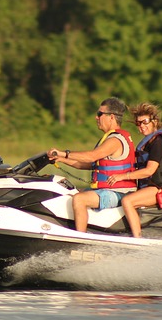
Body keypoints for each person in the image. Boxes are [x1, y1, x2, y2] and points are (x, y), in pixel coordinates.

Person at [46, 97, 136, 232]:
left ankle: (79, 240)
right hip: (106, 190)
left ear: (111, 117)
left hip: (118, 192)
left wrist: (64, 153)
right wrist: (61, 159)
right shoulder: (108, 138)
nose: (96, 117)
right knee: (68, 194)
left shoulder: (115, 140)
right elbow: (87, 164)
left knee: (79, 199)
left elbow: (91, 157)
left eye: (100, 114)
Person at [105, 103, 162, 238]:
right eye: (138, 123)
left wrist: (122, 176)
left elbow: (148, 171)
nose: (142, 126)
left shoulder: (158, 142)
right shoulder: (149, 142)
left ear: (155, 121)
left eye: (145, 122)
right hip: (155, 186)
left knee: (127, 201)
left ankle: (137, 239)